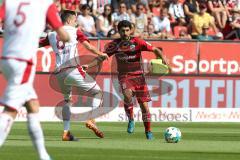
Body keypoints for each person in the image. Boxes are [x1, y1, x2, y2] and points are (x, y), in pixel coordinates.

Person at [0, 1, 69, 160]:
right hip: (23, 62)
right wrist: (67, 35)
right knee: (10, 111)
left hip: (5, 59)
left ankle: (43, 156)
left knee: (32, 105)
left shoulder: (10, 2)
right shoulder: (45, 4)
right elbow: (62, 34)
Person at [83, 20, 169, 140]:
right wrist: (89, 65)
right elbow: (101, 57)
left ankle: (148, 131)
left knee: (144, 107)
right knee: (127, 95)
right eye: (122, 30)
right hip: (124, 76)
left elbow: (155, 49)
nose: (125, 32)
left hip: (139, 77)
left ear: (131, 30)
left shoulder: (138, 42)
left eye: (127, 30)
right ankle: (131, 119)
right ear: (119, 31)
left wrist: (163, 57)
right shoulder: (114, 45)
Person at [40, 10, 108, 141]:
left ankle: (66, 132)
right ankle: (91, 119)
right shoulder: (75, 31)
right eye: (75, 20)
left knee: (68, 100)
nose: (76, 22)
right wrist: (100, 54)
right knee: (98, 93)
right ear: (70, 20)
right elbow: (88, 47)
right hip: (72, 69)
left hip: (58, 73)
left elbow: (37, 44)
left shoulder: (52, 34)